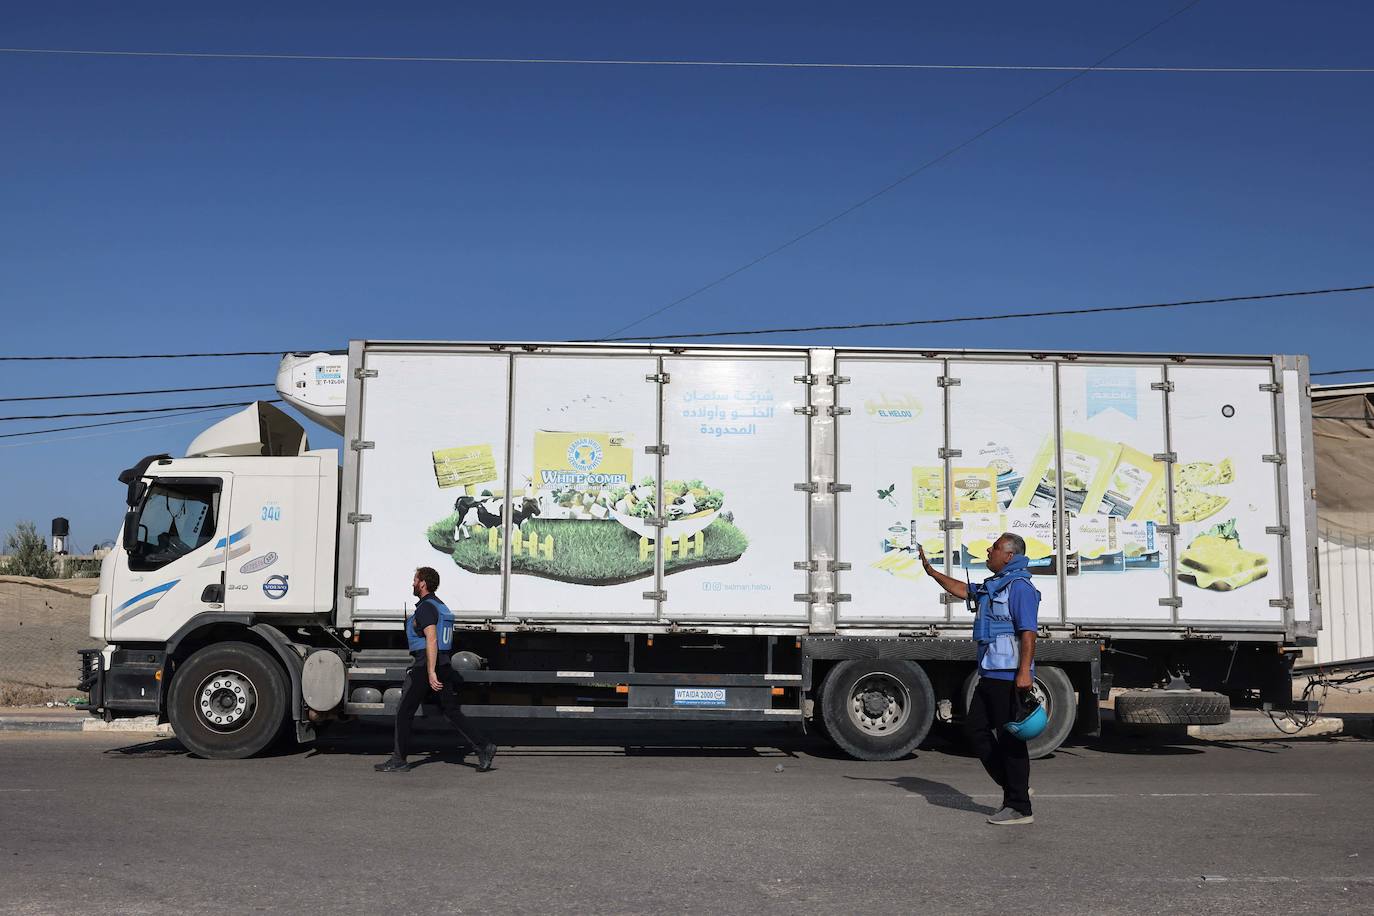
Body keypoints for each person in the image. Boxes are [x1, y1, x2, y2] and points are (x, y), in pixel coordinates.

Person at [918, 533, 1039, 825]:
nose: (989, 550)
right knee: (975, 731)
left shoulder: (1019, 587)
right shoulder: (994, 586)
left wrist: (1024, 672)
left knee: (1010, 740)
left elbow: (1028, 632)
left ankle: (1019, 806)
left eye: (995, 547)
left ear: (1009, 555)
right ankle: (1015, 786)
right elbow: (963, 590)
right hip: (989, 671)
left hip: (1008, 674)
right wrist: (933, 572)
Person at [375, 566, 498, 773]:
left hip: (426, 664)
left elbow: (431, 638)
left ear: (423, 583)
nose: (412, 583)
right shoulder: (440, 606)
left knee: (404, 710)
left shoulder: (426, 608)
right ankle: (484, 746)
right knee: (450, 711)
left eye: (415, 579)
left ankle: (399, 759)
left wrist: (430, 671)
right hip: (442, 663)